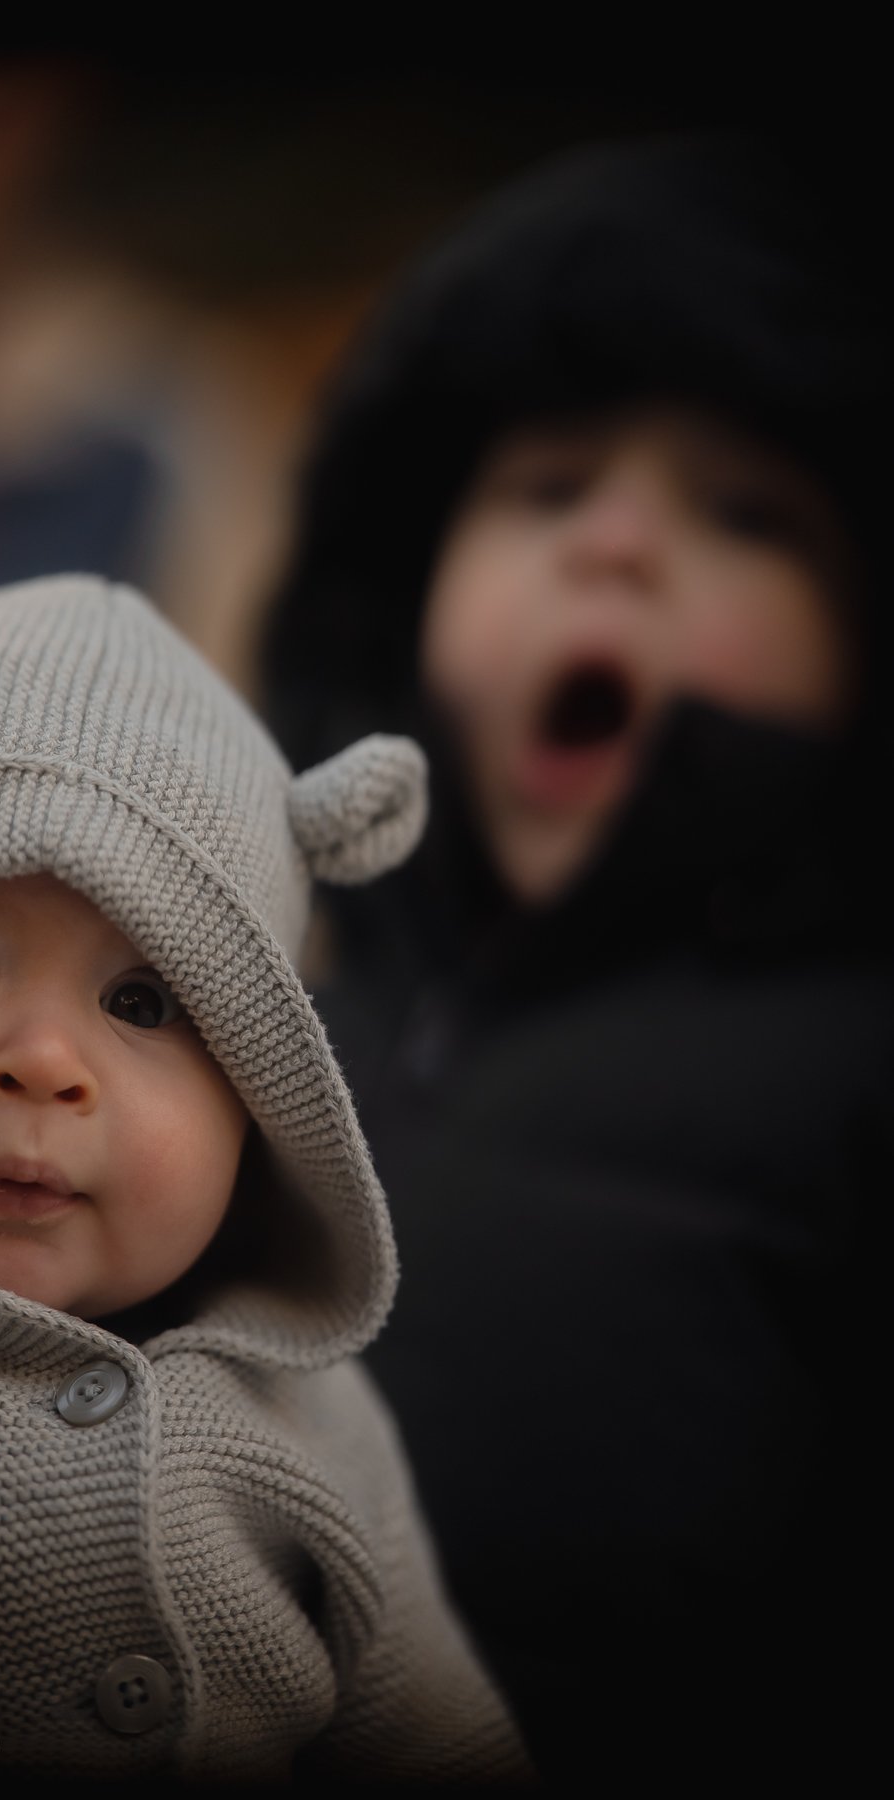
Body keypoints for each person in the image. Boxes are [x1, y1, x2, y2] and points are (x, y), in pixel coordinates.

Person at [262, 134, 894, 1793]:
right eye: (545, 489)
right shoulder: (266, 1015)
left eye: (747, 515)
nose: (614, 543)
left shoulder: (847, 1062)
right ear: (405, 595)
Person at [0, 564, 532, 1783]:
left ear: (258, 1109)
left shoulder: (305, 1411)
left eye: (143, 1001)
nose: (44, 1065)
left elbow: (444, 1739)